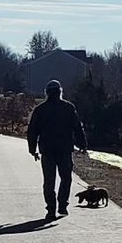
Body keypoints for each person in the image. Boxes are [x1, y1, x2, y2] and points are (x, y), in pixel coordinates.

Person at [25, 79, 87, 219]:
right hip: (64, 149)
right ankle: (62, 205)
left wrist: (32, 148)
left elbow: (32, 130)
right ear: (60, 92)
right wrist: (82, 144)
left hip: (47, 150)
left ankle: (51, 209)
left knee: (49, 181)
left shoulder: (40, 110)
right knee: (66, 178)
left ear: (47, 93)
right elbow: (77, 127)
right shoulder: (68, 107)